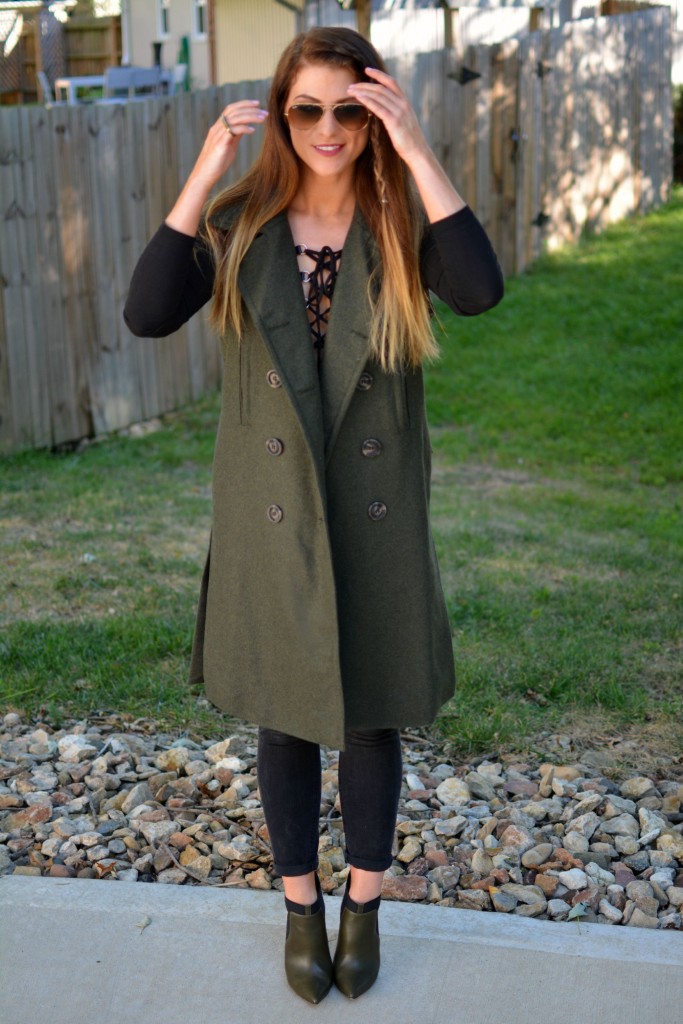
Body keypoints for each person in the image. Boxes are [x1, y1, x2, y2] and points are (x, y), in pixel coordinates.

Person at [124, 26, 503, 1004]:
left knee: (372, 718)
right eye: (307, 109)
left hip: (371, 514)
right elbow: (146, 310)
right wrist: (210, 163)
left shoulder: (400, 221)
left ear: (372, 111)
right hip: (270, 512)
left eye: (350, 107)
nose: (328, 128)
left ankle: (363, 905)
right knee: (286, 721)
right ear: (280, 116)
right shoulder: (243, 221)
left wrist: (415, 149)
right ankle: (300, 908)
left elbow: (478, 289)